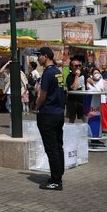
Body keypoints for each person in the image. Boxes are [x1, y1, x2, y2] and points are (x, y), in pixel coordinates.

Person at [35, 46, 65, 191]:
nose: (37, 58)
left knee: (51, 148)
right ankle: (58, 174)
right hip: (59, 113)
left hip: (48, 114)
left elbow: (43, 95)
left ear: (46, 56)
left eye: (39, 55)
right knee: (58, 146)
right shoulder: (57, 72)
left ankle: (56, 181)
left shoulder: (47, 73)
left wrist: (36, 107)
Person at [87, 68, 107, 132]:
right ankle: (93, 128)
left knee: (103, 116)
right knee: (93, 116)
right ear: (92, 75)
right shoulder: (88, 81)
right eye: (95, 73)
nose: (96, 74)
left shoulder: (103, 82)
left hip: (102, 101)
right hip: (92, 102)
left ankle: (102, 128)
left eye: (98, 73)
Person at [65, 58, 86, 123]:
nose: (78, 67)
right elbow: (74, 88)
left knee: (84, 117)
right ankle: (70, 131)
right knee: (72, 118)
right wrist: (77, 76)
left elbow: (89, 79)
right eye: (76, 66)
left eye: (79, 65)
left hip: (81, 99)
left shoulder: (83, 73)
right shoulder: (69, 77)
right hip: (72, 100)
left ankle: (88, 131)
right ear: (71, 67)